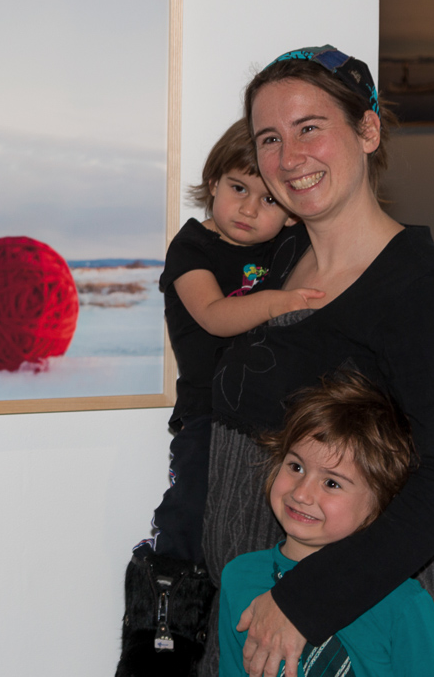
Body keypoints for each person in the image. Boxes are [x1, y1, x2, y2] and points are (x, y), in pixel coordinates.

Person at [201, 45, 434, 677]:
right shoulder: (279, 264)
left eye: (311, 128)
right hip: (252, 605)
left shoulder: (416, 289)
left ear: (367, 130)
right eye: (270, 138)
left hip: (341, 627)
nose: (288, 158)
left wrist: (306, 601)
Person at [118, 121, 320, 675]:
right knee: (191, 512)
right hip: (208, 412)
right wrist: (280, 302)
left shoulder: (289, 246)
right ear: (213, 182)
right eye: (238, 188)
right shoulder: (192, 247)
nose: (250, 210)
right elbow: (213, 314)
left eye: (269, 200)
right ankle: (163, 622)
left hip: (273, 414)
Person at [219, 371, 434, 676]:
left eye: (332, 484)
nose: (302, 493)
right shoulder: (238, 576)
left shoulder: (404, 603)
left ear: (380, 505)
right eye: (295, 467)